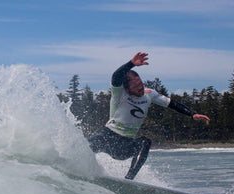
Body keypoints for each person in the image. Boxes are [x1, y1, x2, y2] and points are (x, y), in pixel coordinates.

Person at [88, 52, 210, 180]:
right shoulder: (120, 93)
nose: (140, 88)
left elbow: (171, 103)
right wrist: (131, 64)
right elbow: (116, 76)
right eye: (136, 87)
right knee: (84, 146)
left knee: (145, 142)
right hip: (108, 137)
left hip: (125, 145)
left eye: (140, 84)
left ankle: (129, 179)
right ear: (127, 89)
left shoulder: (149, 94)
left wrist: (192, 114)